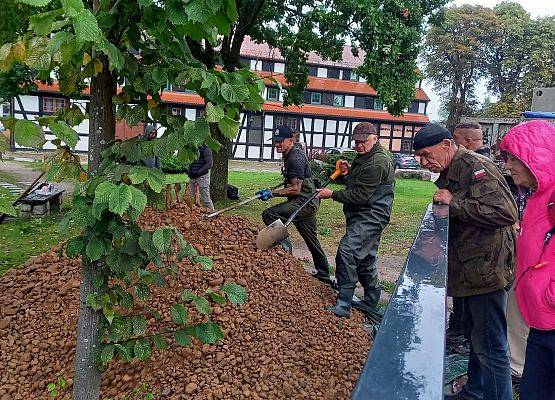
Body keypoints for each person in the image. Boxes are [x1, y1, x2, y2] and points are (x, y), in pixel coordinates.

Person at [413, 123, 517, 400]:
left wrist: (453, 202)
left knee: (491, 348)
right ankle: (474, 391)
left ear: (447, 145)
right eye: (420, 158)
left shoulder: (474, 167)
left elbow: (505, 212)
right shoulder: (451, 168)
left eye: (426, 155)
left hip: (486, 270)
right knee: (476, 339)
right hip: (471, 269)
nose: (424, 162)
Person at [499, 120, 555, 400]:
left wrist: (547, 296)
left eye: (512, 159)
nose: (507, 167)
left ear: (536, 158)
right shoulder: (538, 196)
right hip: (540, 322)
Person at [317, 122, 395, 317]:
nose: (359, 145)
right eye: (356, 142)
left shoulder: (378, 162)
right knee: (365, 258)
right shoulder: (367, 157)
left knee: (347, 250)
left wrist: (331, 194)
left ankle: (343, 304)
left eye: (364, 141)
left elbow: (360, 196)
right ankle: (371, 300)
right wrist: (348, 171)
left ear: (375, 139)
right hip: (363, 213)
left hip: (371, 215)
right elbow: (362, 181)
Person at [258, 125, 332, 285]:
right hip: (306, 201)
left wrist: (272, 193)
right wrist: (273, 189)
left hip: (304, 202)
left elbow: (296, 189)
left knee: (269, 214)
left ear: (290, 140)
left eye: (280, 141)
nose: (277, 144)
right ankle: (324, 273)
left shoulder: (295, 157)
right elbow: (292, 181)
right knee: (311, 239)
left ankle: (285, 252)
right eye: (275, 141)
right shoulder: (289, 153)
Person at [188, 143, 214, 211]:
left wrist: (198, 172)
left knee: (205, 198)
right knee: (190, 197)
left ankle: (212, 213)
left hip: (202, 176)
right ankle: (191, 215)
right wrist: (190, 171)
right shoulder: (192, 148)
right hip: (192, 176)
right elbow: (192, 162)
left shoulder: (206, 149)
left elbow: (210, 164)